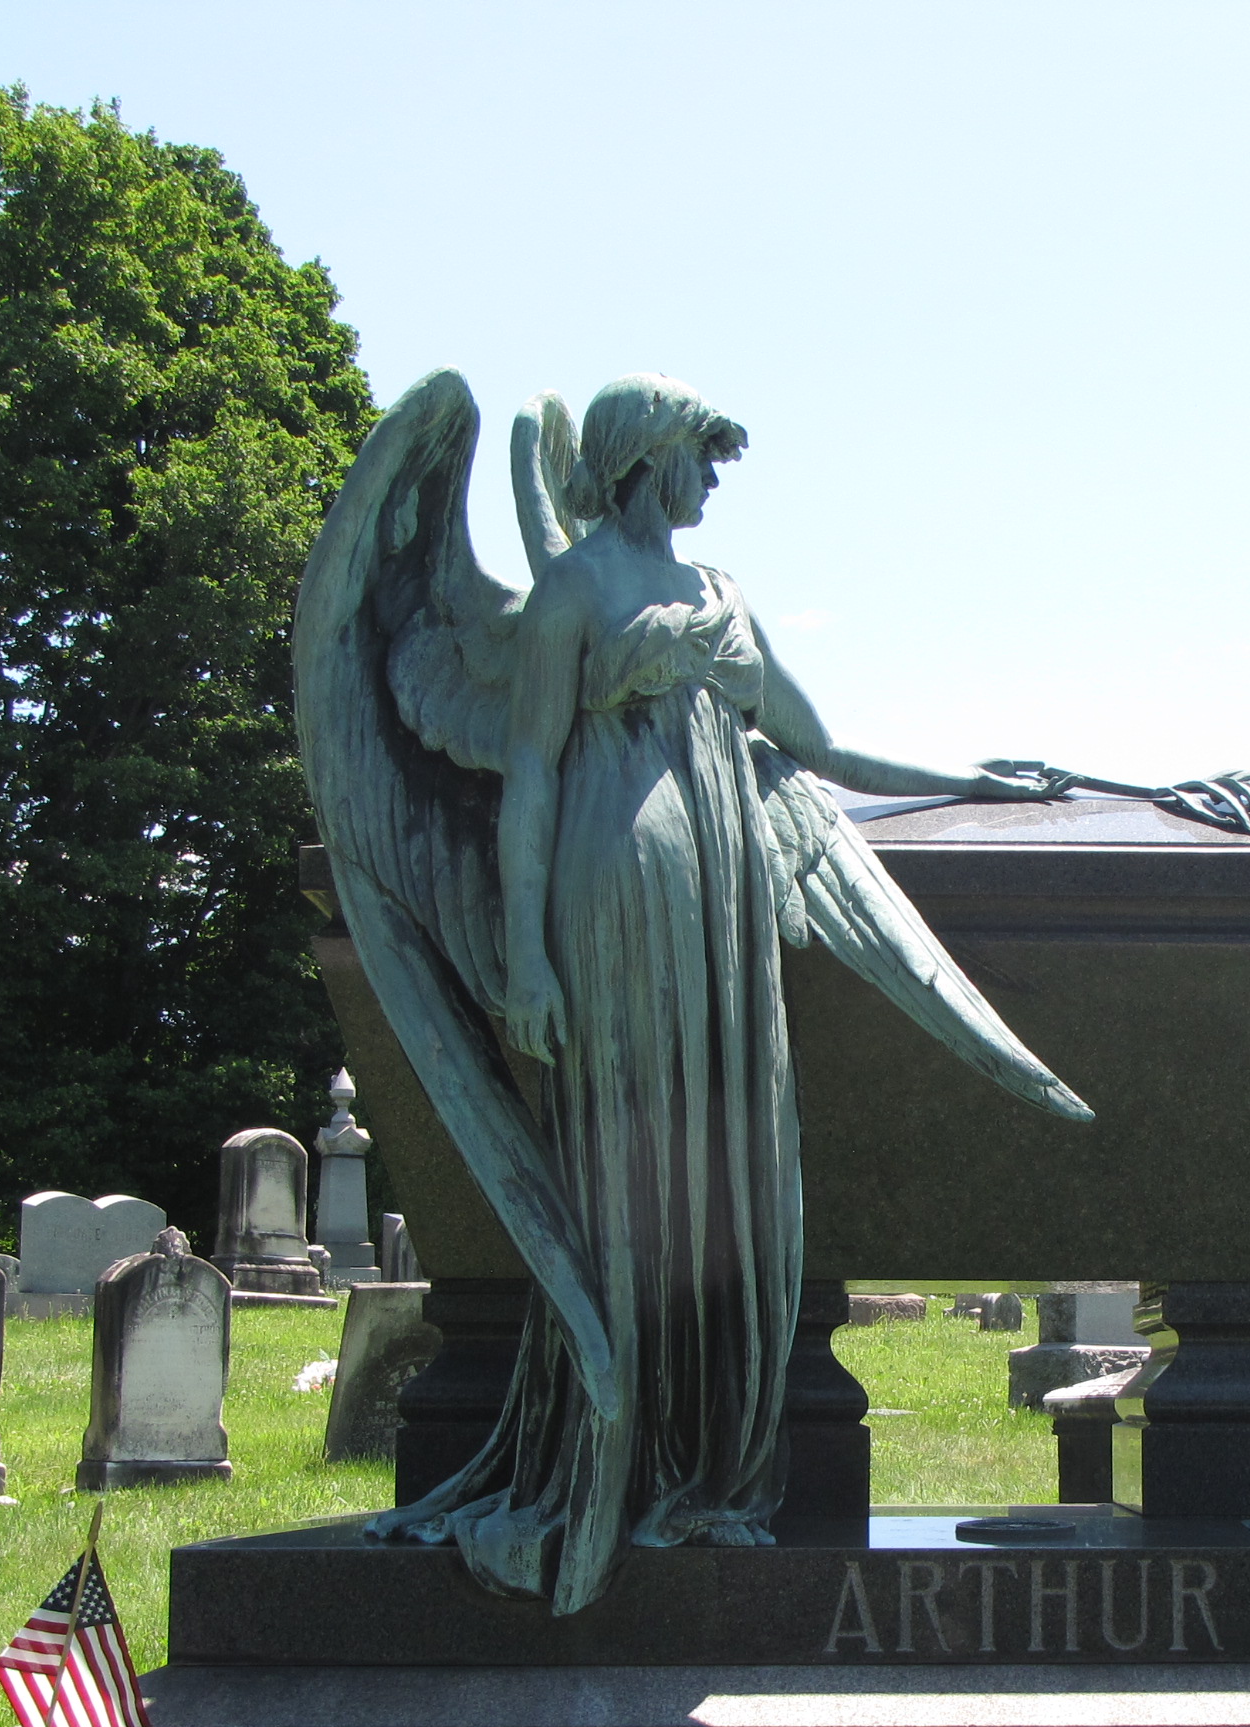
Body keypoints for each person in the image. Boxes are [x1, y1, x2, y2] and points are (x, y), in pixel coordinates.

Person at [363, 376, 1062, 1610]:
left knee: (733, 1176)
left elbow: (821, 748)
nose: (715, 478)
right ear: (646, 457)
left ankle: (709, 1472)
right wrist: (524, 958)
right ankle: (618, 1455)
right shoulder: (573, 592)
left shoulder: (721, 592)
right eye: (703, 453)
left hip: (722, 901)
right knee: (631, 1177)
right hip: (610, 890)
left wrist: (978, 780)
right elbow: (528, 775)